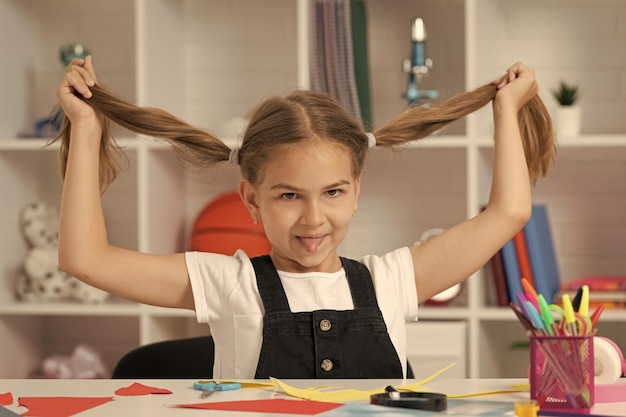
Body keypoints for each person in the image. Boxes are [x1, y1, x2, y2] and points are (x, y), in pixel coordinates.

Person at [55, 56, 554, 379]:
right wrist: (85, 129)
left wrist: (507, 108)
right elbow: (85, 258)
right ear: (251, 199)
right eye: (289, 195)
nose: (314, 218)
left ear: (356, 190)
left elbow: (508, 211)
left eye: (333, 192)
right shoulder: (229, 283)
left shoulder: (392, 281)